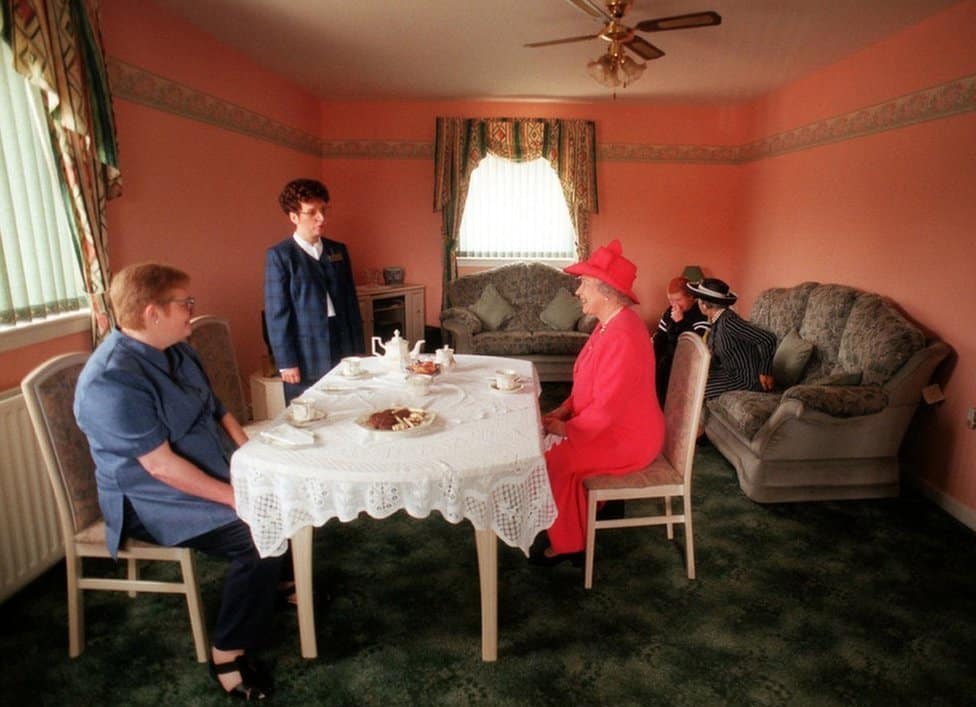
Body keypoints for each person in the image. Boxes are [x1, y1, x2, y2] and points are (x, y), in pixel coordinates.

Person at [74, 263, 283, 700]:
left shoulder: (177, 347)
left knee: (286, 487)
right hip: (151, 499)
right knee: (258, 530)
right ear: (152, 313)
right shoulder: (112, 380)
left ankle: (274, 582)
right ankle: (227, 653)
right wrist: (238, 497)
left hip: (204, 468)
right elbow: (161, 468)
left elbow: (217, 407)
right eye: (185, 303)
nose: (192, 311)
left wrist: (250, 456)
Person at [534, 240, 665, 566]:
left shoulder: (622, 334)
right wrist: (563, 410)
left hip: (627, 438)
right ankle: (581, 513)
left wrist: (564, 427)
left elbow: (606, 409)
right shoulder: (611, 325)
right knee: (548, 444)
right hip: (611, 427)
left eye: (584, 284)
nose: (578, 292)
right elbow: (587, 385)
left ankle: (569, 544)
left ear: (606, 292)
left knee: (555, 460)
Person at [264, 178, 364, 404]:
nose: (321, 218)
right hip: (305, 349)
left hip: (342, 341)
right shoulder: (280, 256)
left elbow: (351, 304)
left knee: (350, 404)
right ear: (294, 217)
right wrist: (286, 361)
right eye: (312, 212)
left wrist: (358, 350)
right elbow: (277, 314)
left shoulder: (338, 250)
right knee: (309, 413)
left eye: (323, 210)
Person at [686, 278, 777, 399]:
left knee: (694, 394)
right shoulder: (716, 321)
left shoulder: (728, 321)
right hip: (728, 373)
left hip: (746, 378)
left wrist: (765, 371)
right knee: (690, 384)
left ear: (704, 304)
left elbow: (767, 339)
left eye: (698, 299)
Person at [653, 276, 710, 405]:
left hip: (687, 359)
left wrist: (680, 322)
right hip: (667, 357)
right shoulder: (669, 312)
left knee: (666, 368)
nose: (674, 304)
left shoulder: (701, 313)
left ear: (691, 297)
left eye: (678, 299)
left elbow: (696, 345)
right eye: (670, 300)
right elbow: (660, 337)